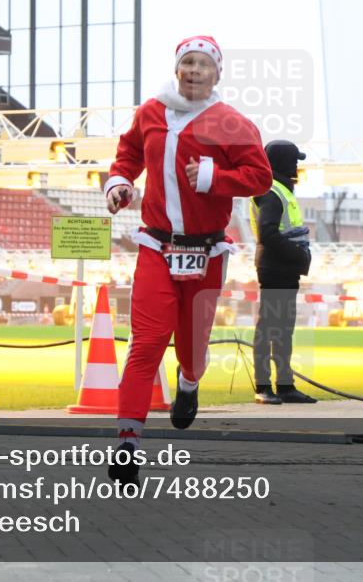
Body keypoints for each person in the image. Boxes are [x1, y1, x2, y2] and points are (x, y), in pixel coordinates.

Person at [104, 35, 272, 484]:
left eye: (203, 65)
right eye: (187, 63)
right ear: (177, 68)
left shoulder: (231, 122)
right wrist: (119, 184)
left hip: (206, 250)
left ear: (217, 74)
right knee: (146, 344)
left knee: (192, 347)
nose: (194, 71)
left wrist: (214, 177)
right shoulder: (151, 112)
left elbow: (260, 177)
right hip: (157, 247)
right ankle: (126, 443)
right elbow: (128, 156)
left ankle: (190, 383)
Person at [250, 141, 317, 405]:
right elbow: (268, 233)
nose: (297, 166)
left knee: (283, 329)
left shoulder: (281, 190)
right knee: (269, 329)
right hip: (275, 268)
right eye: (294, 160)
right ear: (281, 163)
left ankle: (286, 386)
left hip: (284, 270)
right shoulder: (272, 192)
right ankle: (264, 387)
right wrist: (297, 254)